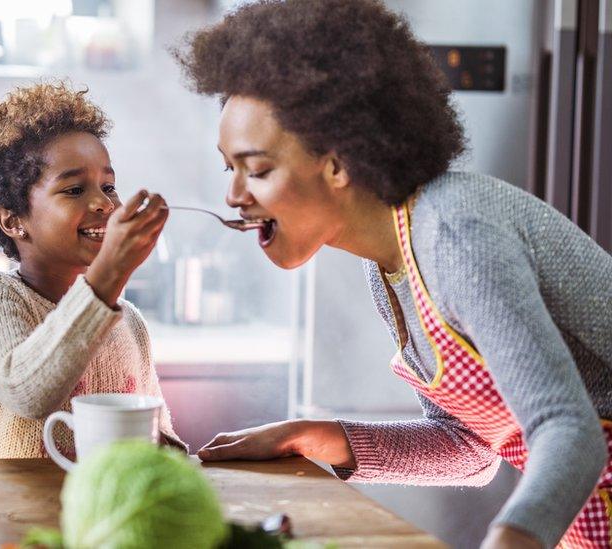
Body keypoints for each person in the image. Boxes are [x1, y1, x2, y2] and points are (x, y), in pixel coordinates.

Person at [174, 1, 612, 547]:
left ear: (337, 164)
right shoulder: (389, 264)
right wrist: (317, 438)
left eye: (257, 169)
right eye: (229, 168)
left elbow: (571, 434)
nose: (233, 196)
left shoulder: (454, 235)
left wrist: (510, 539)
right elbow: (470, 451)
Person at [0, 82, 183, 459]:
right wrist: (110, 275)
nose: (105, 204)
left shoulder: (128, 321)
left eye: (108, 186)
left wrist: (190, 460)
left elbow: (155, 432)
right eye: (74, 190)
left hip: (98, 513)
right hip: (11, 514)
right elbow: (26, 392)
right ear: (12, 221)